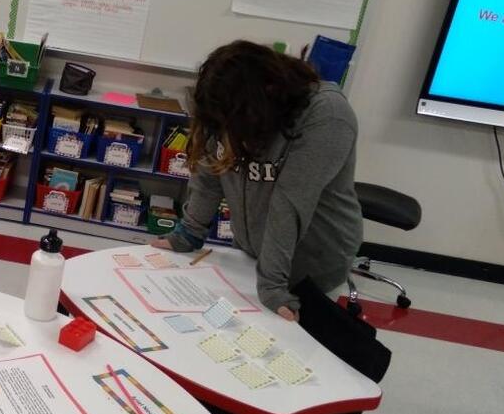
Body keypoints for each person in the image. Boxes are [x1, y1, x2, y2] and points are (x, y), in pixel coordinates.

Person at [153, 40, 363, 320]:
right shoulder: (229, 104)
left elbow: (289, 203)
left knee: (292, 342)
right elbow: (210, 167)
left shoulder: (327, 114)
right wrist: (188, 233)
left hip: (313, 264)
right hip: (256, 256)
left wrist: (272, 285)